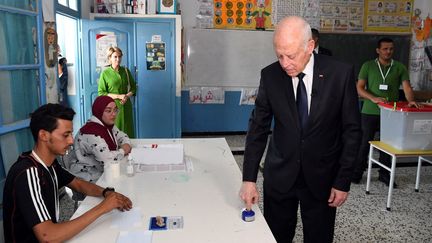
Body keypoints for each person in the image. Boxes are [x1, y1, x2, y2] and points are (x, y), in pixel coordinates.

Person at [239, 16, 361, 242]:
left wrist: (343, 181)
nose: (284, 63)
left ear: (310, 47)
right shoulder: (271, 76)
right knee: (277, 235)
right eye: (279, 55)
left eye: (291, 56)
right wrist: (249, 179)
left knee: (319, 237)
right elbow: (258, 128)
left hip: (322, 178)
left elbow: (352, 131)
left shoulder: (340, 74)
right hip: (280, 177)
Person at [3, 103, 132, 242]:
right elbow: (48, 237)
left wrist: (106, 193)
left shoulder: (50, 164)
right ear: (44, 135)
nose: (71, 141)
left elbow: (77, 183)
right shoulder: (28, 173)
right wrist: (102, 208)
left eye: (71, 133)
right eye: (66, 135)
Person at [352, 38, 417, 187]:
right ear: (378, 50)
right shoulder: (368, 66)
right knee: (364, 144)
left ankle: (384, 174)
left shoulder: (399, 67)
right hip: (369, 111)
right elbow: (359, 87)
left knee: (388, 145)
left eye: (391, 49)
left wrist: (411, 100)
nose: (388, 52)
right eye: (385, 49)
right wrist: (373, 98)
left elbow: (407, 87)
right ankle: (356, 173)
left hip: (391, 113)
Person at [65, 95, 132, 184]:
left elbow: (123, 137)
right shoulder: (92, 132)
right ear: (99, 111)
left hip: (100, 171)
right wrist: (123, 150)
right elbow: (108, 161)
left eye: (115, 110)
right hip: (86, 177)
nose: (114, 114)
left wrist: (125, 145)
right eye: (108, 111)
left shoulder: (107, 125)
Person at [98, 46, 137, 138]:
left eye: (119, 57)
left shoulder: (126, 71)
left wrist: (126, 96)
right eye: (115, 57)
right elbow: (101, 93)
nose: (118, 59)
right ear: (110, 58)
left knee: (128, 131)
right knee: (114, 131)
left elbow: (133, 88)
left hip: (126, 106)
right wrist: (119, 96)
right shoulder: (105, 73)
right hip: (112, 107)